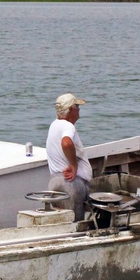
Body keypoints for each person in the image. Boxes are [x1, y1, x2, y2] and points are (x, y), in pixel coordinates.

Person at [46, 92, 92, 221]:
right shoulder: (68, 126)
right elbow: (66, 143)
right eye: (78, 107)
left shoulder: (54, 125)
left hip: (55, 182)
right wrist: (73, 165)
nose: (79, 111)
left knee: (60, 221)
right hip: (71, 184)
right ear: (71, 109)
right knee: (76, 224)